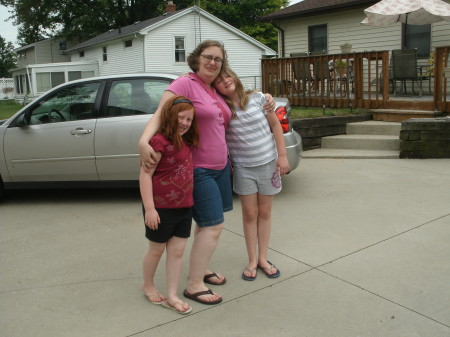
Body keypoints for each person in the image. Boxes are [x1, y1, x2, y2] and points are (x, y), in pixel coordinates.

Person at [138, 40, 275, 305]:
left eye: (218, 59)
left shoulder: (214, 89)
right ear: (197, 59)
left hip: (222, 167)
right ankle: (194, 284)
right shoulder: (184, 84)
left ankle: (201, 268)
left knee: (205, 223)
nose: (213, 63)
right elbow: (160, 113)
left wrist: (265, 96)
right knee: (214, 225)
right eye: (208, 57)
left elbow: (240, 97)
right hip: (197, 169)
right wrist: (143, 141)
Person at [213, 65, 290, 281]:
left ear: (234, 77)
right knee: (249, 214)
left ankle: (263, 258)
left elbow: (276, 126)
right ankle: (251, 259)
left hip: (268, 165)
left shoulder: (258, 99)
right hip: (244, 169)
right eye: (219, 80)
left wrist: (282, 156)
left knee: (265, 213)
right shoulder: (223, 109)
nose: (225, 81)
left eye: (227, 76)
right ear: (216, 88)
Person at [140, 95, 199, 314]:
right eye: (180, 117)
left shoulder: (187, 141)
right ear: (169, 117)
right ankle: (148, 284)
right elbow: (145, 175)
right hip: (160, 208)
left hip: (184, 207)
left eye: (189, 120)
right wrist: (149, 209)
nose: (184, 123)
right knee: (156, 250)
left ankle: (172, 294)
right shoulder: (158, 141)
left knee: (177, 252)